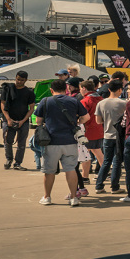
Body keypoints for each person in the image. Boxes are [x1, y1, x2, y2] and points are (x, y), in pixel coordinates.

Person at [33, 79, 89, 207]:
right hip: (70, 141)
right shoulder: (74, 101)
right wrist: (76, 122)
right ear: (66, 89)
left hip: (51, 142)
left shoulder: (46, 101)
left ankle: (47, 197)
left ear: (51, 90)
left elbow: (38, 121)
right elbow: (86, 117)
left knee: (49, 171)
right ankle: (74, 197)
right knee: (71, 169)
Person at [0, 70, 36, 170]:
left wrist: (22, 121)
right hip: (8, 120)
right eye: (18, 79)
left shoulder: (29, 92)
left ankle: (18, 163)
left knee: (21, 143)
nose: (19, 82)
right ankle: (9, 159)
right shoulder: (7, 89)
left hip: (22, 121)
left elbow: (31, 108)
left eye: (22, 80)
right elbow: (2, 104)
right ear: (15, 77)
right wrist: (8, 119)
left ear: (26, 80)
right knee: (8, 141)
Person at [95, 79, 127, 193]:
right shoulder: (124, 103)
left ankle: (99, 186)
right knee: (117, 161)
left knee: (106, 161)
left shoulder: (101, 103)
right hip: (119, 136)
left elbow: (98, 121)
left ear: (108, 89)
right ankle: (115, 186)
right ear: (120, 90)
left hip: (107, 135)